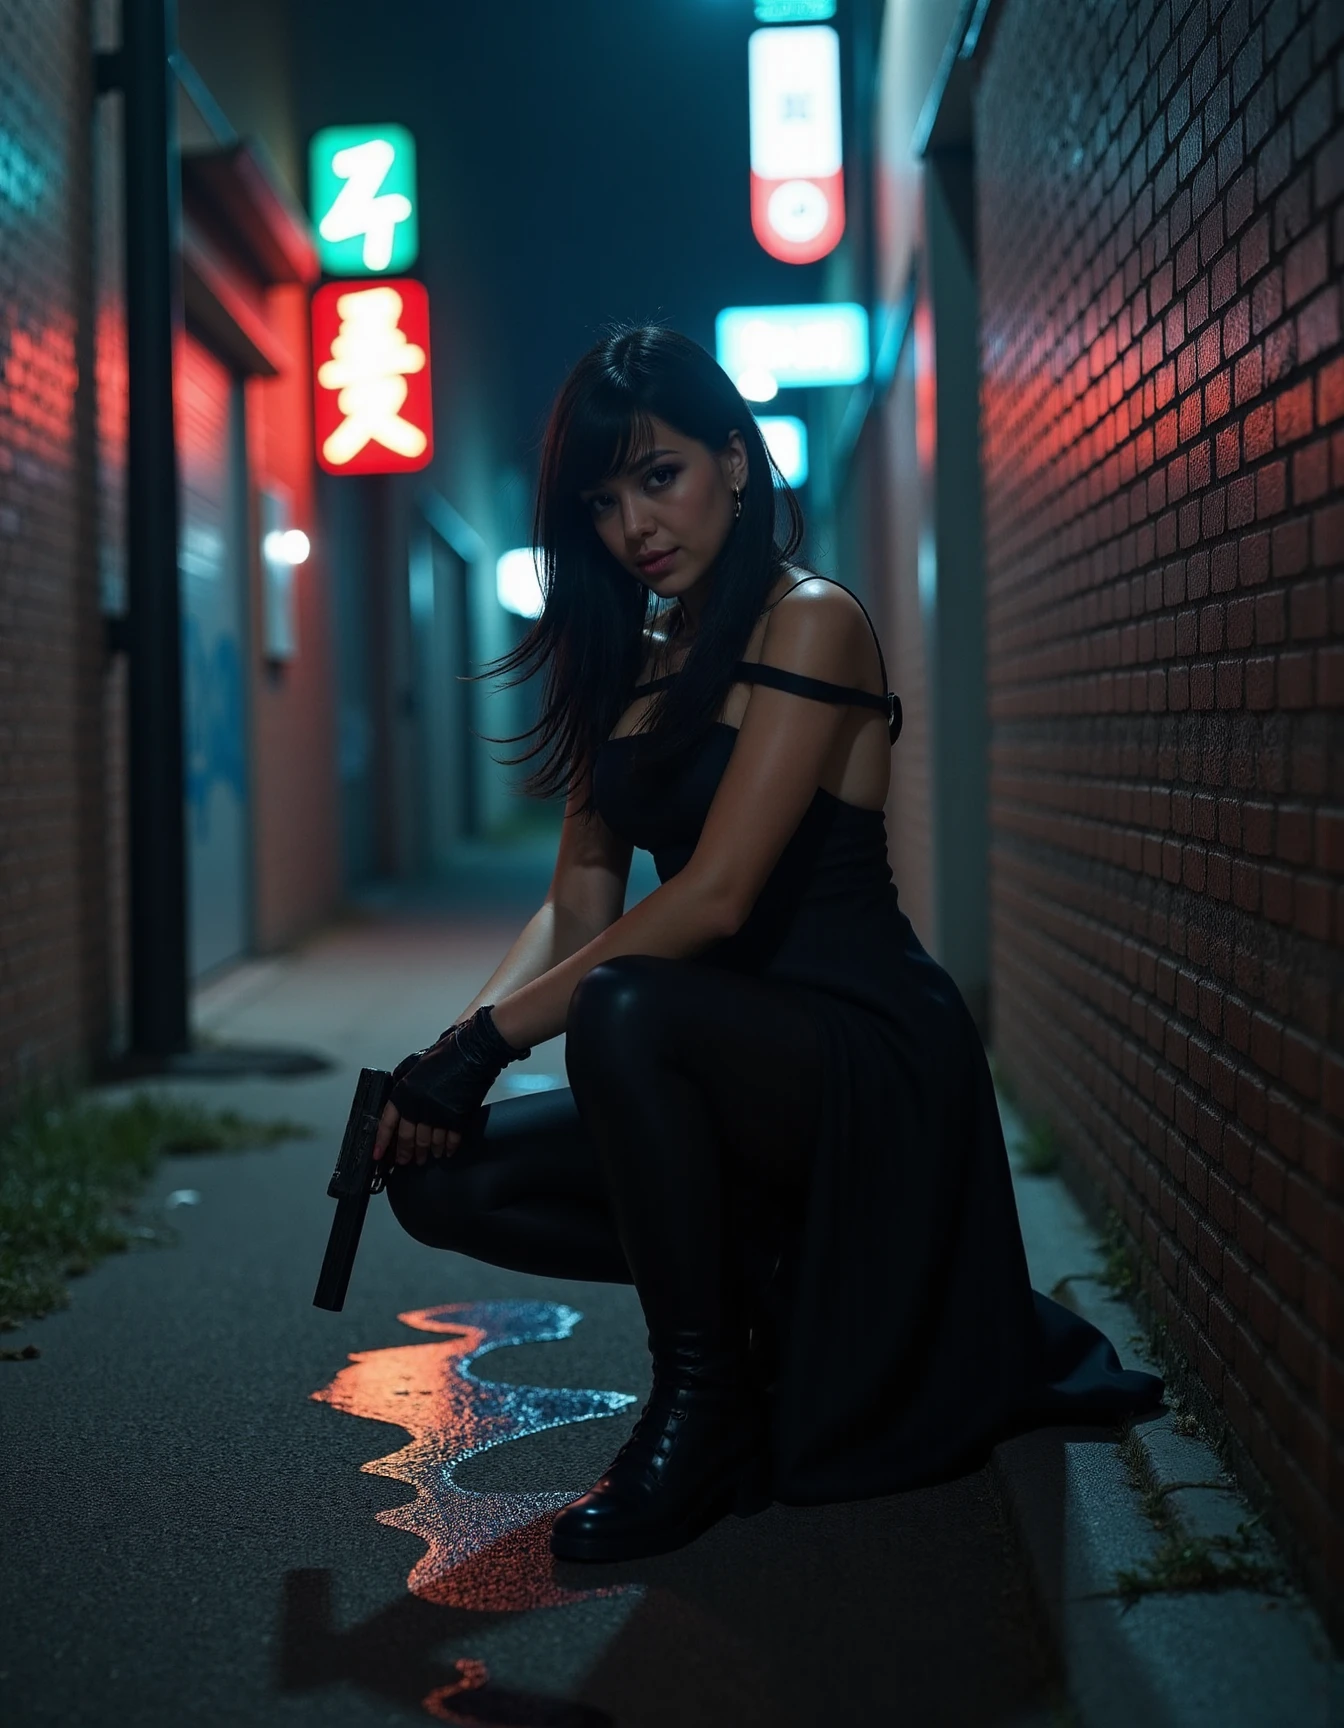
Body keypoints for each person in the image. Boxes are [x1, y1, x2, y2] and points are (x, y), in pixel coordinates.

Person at [372, 325, 1163, 1566]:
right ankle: (781, 1296)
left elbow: (719, 897)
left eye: (661, 474)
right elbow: (578, 901)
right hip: (696, 1054)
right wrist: (440, 1064)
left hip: (859, 1053)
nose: (635, 521)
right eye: (604, 497)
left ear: (736, 462)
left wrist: (484, 1043)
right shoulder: (628, 664)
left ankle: (705, 1404)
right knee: (436, 1174)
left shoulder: (813, 621)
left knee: (630, 1002)